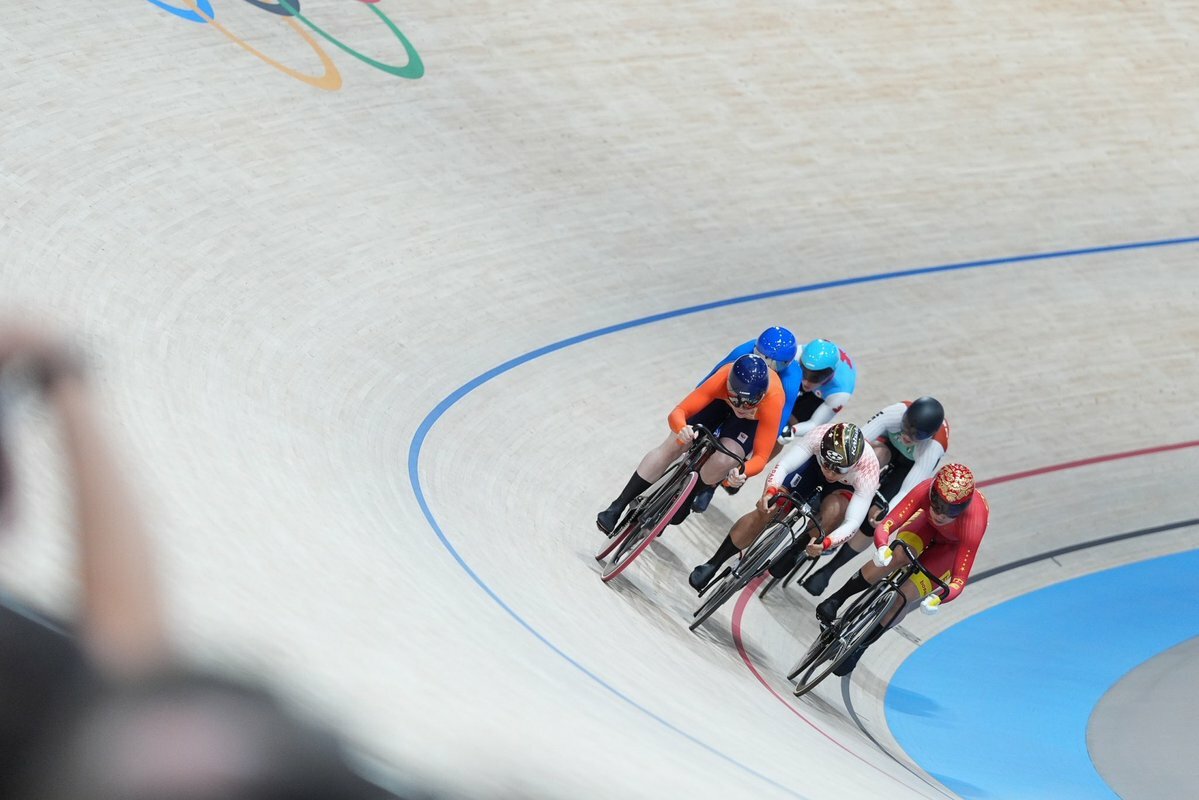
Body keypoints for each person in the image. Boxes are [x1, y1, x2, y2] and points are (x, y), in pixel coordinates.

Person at [815, 463, 989, 676]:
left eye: (951, 510)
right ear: (932, 492)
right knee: (897, 556)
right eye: (937, 504)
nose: (941, 514)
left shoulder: (974, 521)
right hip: (924, 526)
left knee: (903, 597)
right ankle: (836, 599)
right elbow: (888, 524)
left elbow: (959, 579)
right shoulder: (924, 489)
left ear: (964, 508)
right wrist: (882, 546)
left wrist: (938, 598)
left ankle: (859, 648)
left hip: (949, 549)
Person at [596, 353, 785, 535]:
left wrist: (742, 472)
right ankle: (617, 506)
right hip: (718, 402)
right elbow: (678, 412)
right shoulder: (721, 379)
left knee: (727, 459)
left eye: (749, 403)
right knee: (675, 444)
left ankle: (688, 495)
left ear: (761, 396)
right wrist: (682, 428)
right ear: (728, 385)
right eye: (736, 400)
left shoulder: (774, 399)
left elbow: (761, 457)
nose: (741, 407)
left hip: (748, 423)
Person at [687, 421, 880, 592]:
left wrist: (826, 543)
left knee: (835, 512)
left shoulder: (868, 470)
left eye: (838, 469)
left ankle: (800, 547)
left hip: (843, 488)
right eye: (827, 463)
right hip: (812, 469)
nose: (830, 472)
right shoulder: (819, 435)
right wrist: (769, 492)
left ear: (854, 465)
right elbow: (785, 466)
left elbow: (853, 522)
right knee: (770, 507)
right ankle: (714, 563)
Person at [801, 396, 948, 596]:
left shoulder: (933, 448)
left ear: (928, 436)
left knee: (877, 518)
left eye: (917, 435)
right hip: (886, 447)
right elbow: (856, 442)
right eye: (906, 427)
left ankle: (828, 571)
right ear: (904, 418)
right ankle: (832, 495)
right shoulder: (896, 412)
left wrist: (887, 514)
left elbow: (906, 492)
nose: (908, 436)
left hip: (908, 467)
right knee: (873, 457)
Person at [690, 327, 801, 513]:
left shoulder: (792, 376)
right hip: (728, 397)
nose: (768, 366)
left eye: (776, 364)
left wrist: (748, 457)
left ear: (787, 364)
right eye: (762, 357)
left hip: (753, 413)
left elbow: (779, 419)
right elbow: (707, 382)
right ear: (755, 350)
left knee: (732, 455)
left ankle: (710, 484)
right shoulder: (743, 351)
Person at [780, 338, 857, 442]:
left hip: (825, 392)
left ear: (830, 374)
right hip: (821, 384)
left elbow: (815, 423)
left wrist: (791, 430)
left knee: (789, 423)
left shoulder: (840, 393)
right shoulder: (796, 354)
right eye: (804, 372)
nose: (806, 382)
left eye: (816, 377)